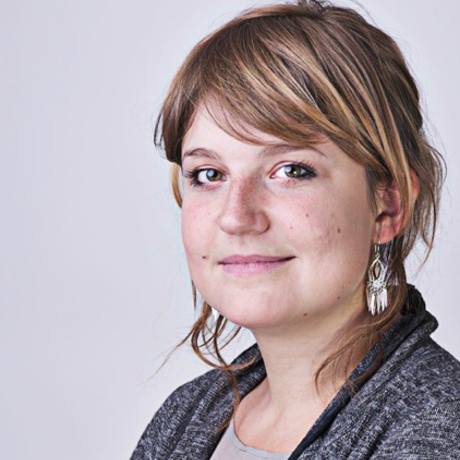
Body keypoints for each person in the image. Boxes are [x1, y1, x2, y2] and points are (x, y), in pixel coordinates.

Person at [130, 1, 460, 458]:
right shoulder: (186, 416)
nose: (236, 216)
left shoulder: (439, 431)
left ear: (388, 205)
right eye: (209, 174)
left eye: (291, 170)